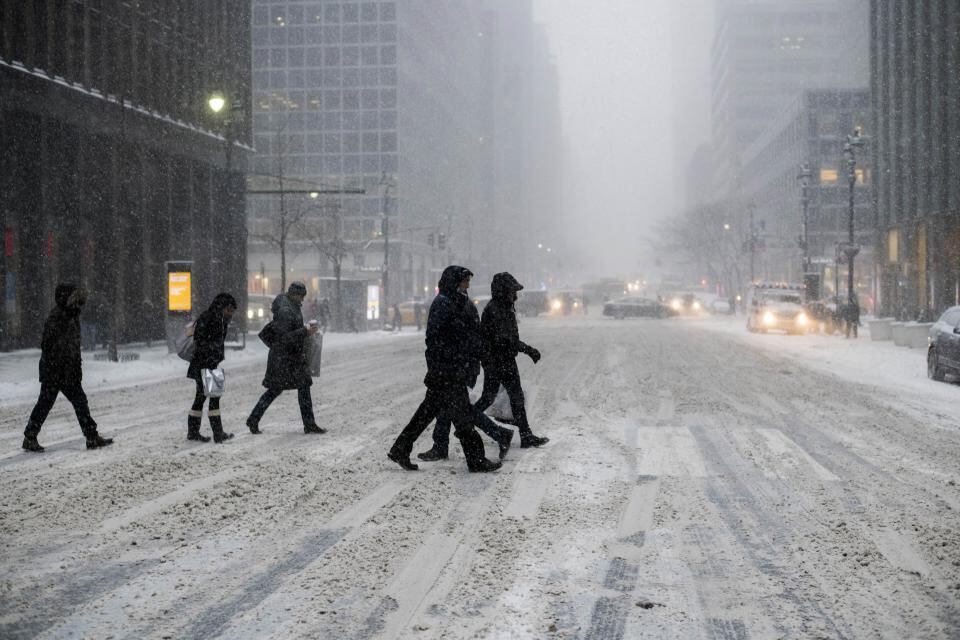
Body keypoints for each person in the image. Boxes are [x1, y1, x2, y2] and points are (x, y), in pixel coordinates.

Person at [387, 266, 501, 473]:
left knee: (427, 413)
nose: (468, 285)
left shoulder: (457, 302)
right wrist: (445, 365)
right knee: (463, 417)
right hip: (447, 373)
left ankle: (400, 448)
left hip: (451, 371)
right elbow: (435, 340)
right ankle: (476, 460)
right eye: (465, 281)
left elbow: (466, 336)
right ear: (455, 282)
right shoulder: (443, 304)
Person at [417, 292, 514, 462]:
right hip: (462, 367)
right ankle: (440, 446)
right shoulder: (463, 305)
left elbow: (466, 339)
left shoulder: (460, 306)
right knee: (448, 409)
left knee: (460, 409)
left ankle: (499, 435)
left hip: (460, 368)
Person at [21, 283, 114, 452]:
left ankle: (90, 436)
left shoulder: (71, 316)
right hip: (56, 371)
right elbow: (48, 346)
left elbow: (73, 347)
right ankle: (31, 436)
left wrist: (75, 369)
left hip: (66, 372)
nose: (80, 305)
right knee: (49, 403)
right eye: (76, 301)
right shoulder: (57, 317)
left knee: (72, 402)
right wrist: (61, 366)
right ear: (67, 300)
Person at [473, 273, 549, 449]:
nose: (515, 295)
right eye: (513, 291)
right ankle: (467, 422)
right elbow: (506, 339)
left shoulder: (503, 307)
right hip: (499, 360)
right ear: (503, 291)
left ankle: (526, 435)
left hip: (500, 359)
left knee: (509, 397)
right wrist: (528, 350)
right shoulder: (497, 309)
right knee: (502, 397)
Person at [246, 282, 326, 435]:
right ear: (294, 294)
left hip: (290, 357)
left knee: (300, 387)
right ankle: (254, 419)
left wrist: (304, 329)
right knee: (276, 389)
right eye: (301, 296)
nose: (302, 300)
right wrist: (305, 331)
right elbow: (284, 338)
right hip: (284, 359)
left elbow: (289, 331)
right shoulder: (285, 310)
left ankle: (309, 424)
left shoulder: (291, 305)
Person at [186, 293, 238, 443]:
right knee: (213, 398)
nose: (231, 314)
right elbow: (200, 341)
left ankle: (194, 432)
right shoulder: (210, 318)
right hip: (206, 364)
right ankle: (217, 433)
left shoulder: (219, 319)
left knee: (201, 398)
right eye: (229, 310)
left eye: (232, 311)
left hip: (207, 363)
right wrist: (213, 352)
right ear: (221, 307)